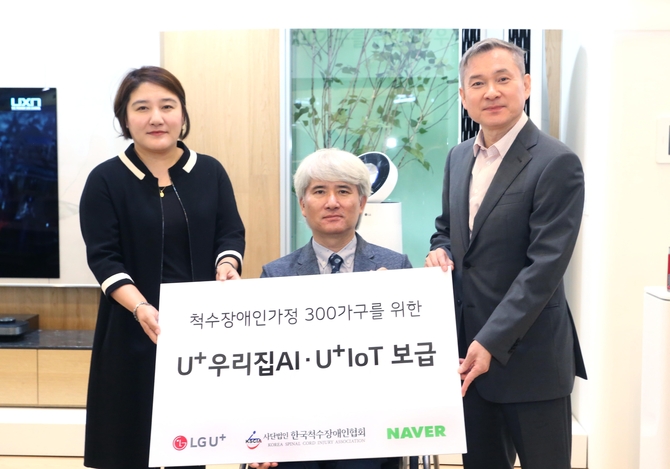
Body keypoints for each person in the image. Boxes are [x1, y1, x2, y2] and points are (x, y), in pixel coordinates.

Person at [425, 38, 587, 469]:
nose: (491, 92)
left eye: (502, 79)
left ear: (526, 85)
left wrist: (490, 341)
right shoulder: (459, 157)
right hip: (468, 360)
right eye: (478, 83)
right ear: (463, 96)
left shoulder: (556, 162)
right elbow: (447, 229)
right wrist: (439, 250)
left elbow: (545, 267)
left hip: (531, 359)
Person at [79, 66, 245, 469]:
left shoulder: (210, 171)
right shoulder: (105, 180)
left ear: (182, 114)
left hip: (197, 335)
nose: (156, 118)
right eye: (142, 108)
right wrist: (140, 308)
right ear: (125, 119)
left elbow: (230, 232)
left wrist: (227, 263)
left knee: (190, 448)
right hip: (132, 330)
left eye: (167, 106)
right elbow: (103, 257)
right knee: (129, 447)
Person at [254, 148, 411, 469]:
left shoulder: (395, 267)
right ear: (302, 205)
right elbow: (261, 364)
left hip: (373, 429)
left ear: (362, 202)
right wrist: (260, 436)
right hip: (295, 431)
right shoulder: (276, 274)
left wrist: (388, 306)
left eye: (343, 191)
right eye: (319, 192)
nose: (332, 202)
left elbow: (410, 356)